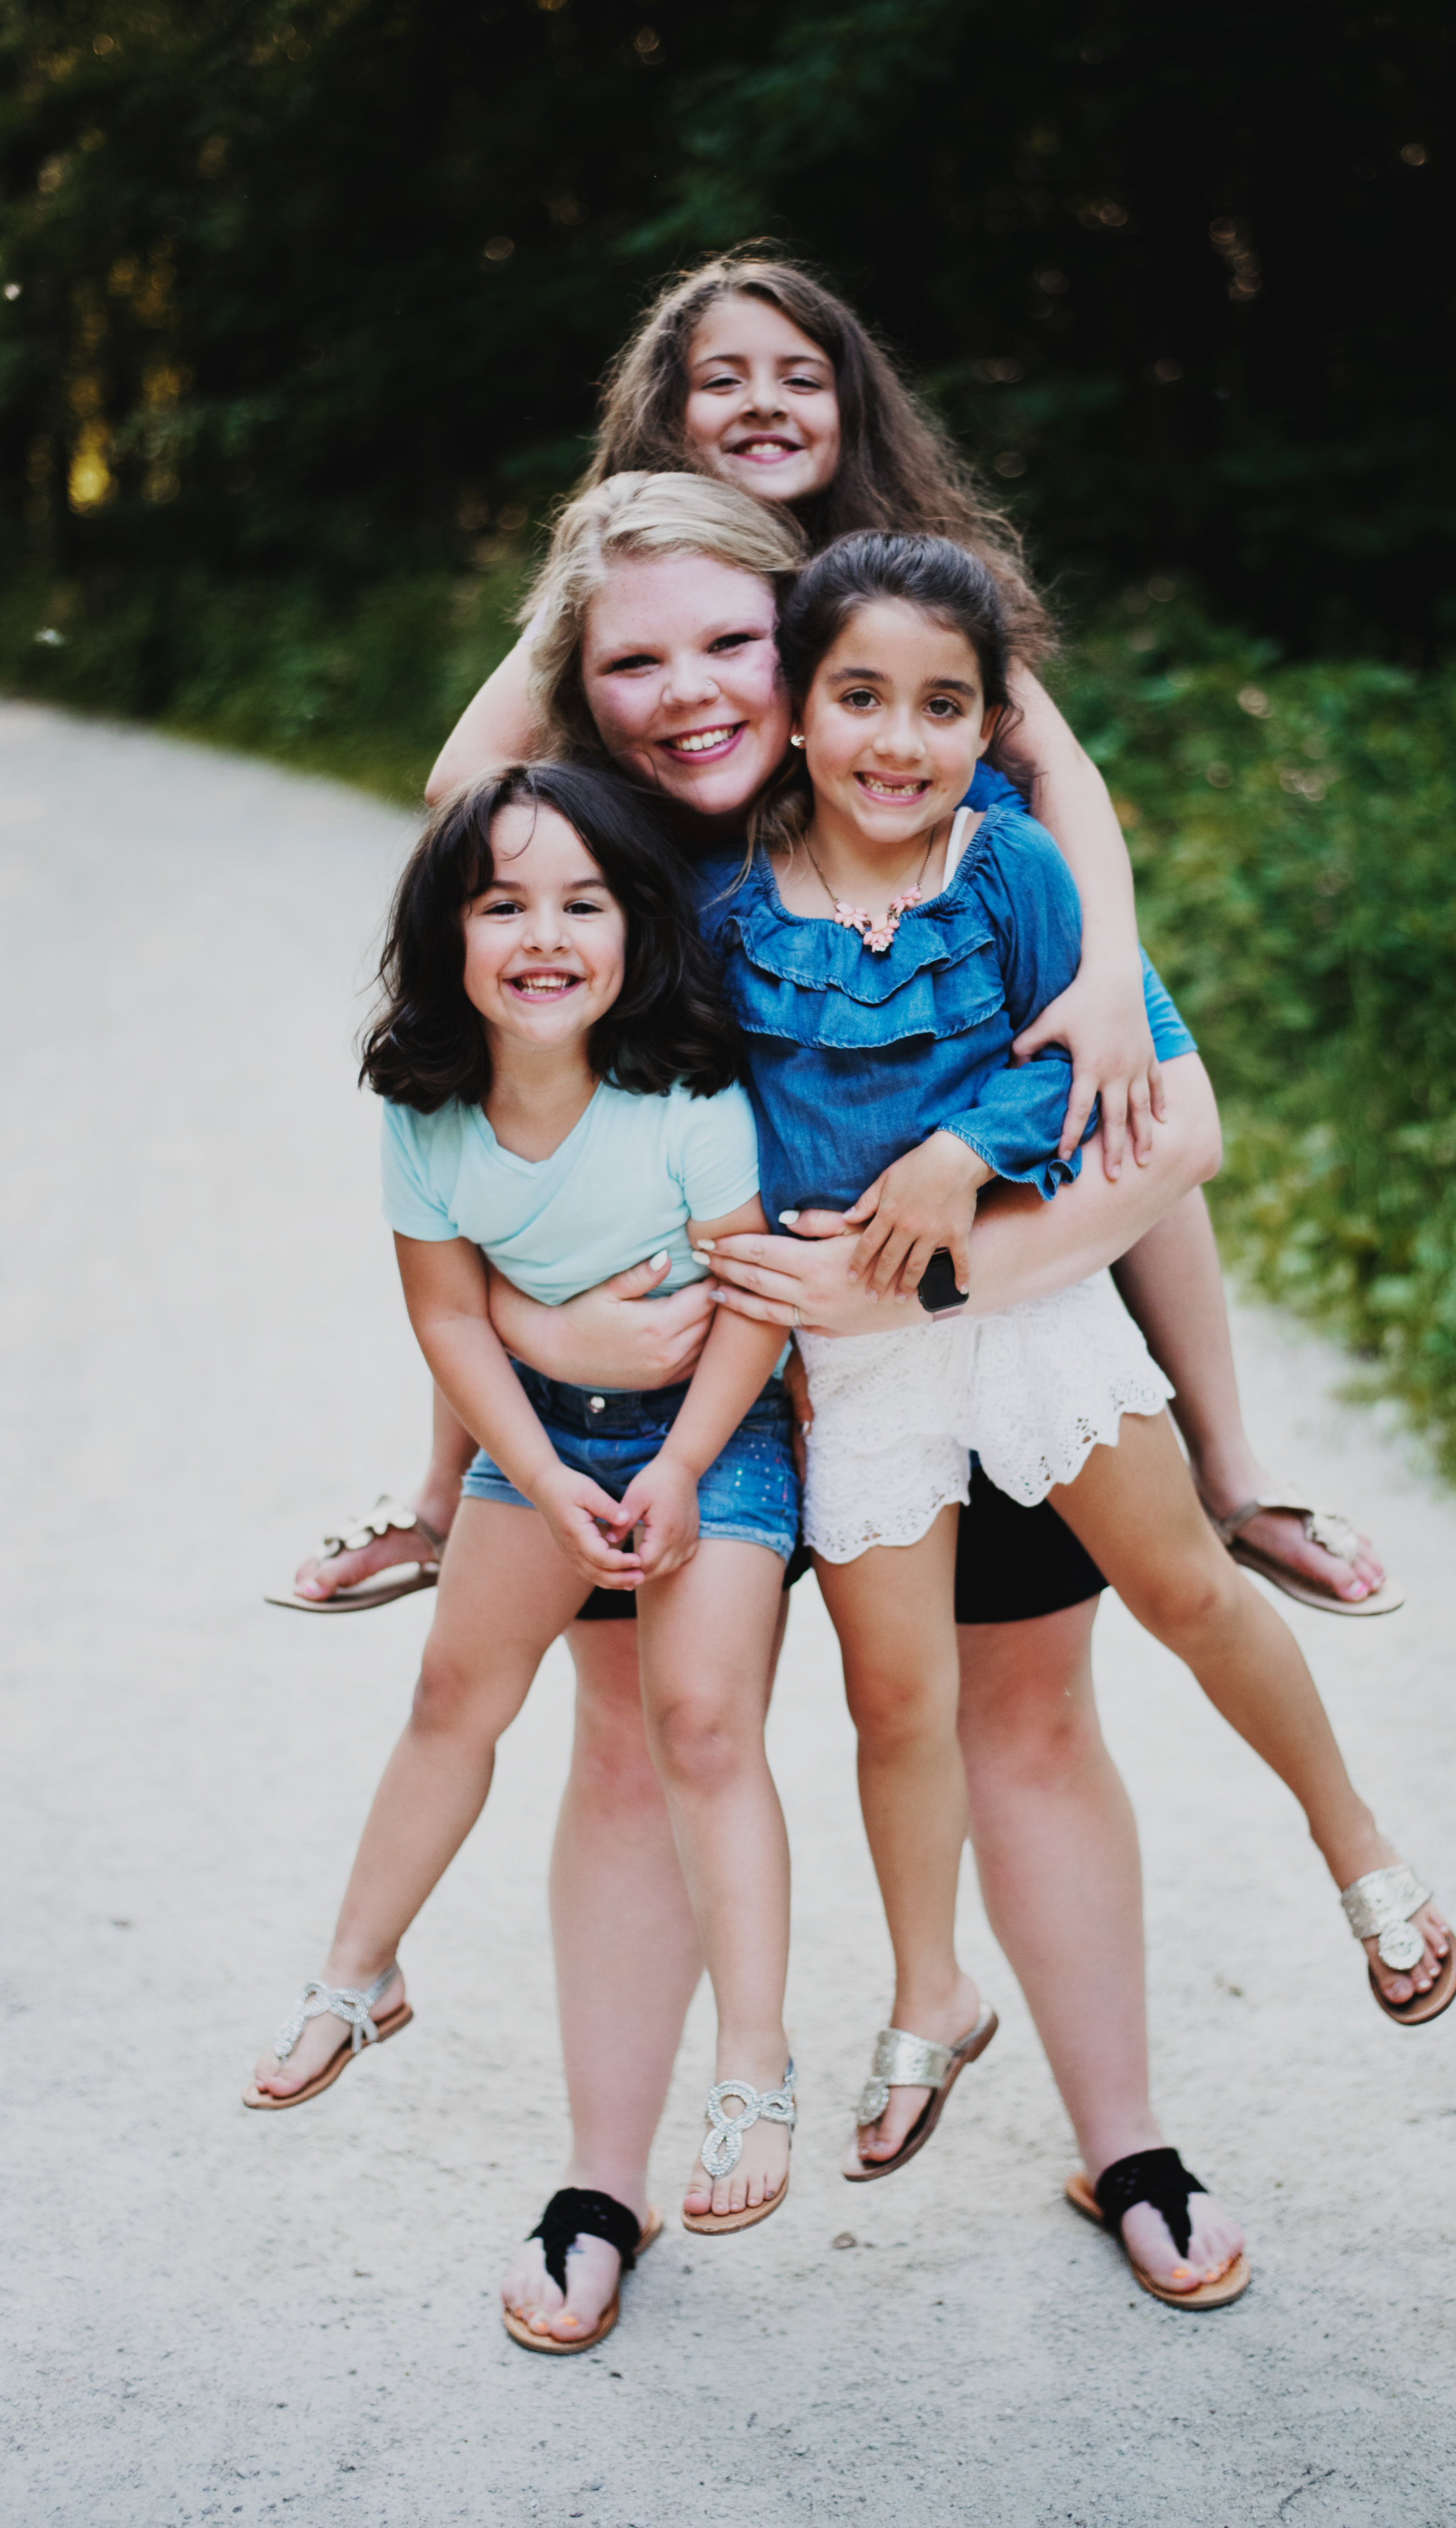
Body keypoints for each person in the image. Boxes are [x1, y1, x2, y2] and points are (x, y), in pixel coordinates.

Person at [451, 475, 1456, 2345]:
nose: (691, 692)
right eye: (632, 657)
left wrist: (930, 1250)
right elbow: (489, 1078)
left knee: (1033, 1709)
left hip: (974, 1332)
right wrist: (514, 1318)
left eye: (732, 646)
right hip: (708, 1404)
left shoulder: (1001, 850)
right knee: (646, 1745)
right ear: (582, 681)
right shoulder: (627, 868)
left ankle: (1127, 2140)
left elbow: (1169, 1117)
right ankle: (608, 2178)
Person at [299, 251, 1393, 1628]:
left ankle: (1229, 1477)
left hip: (908, 914)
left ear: (853, 405)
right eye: (721, 381)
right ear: (661, 414)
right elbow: (464, 785)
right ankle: (445, 1492)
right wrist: (611, 598)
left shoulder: (903, 602)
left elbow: (1058, 768)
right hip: (719, 909)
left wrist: (1109, 962)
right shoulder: (635, 576)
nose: (762, 404)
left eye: (799, 376)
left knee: (1105, 1079)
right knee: (544, 1096)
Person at [246, 761, 811, 2291]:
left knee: (699, 1725)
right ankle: (357, 1973)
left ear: (637, 925)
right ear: (447, 937)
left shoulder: (685, 1098)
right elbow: (445, 1319)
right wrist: (537, 1481)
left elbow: (752, 1310)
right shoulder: (429, 1114)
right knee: (453, 1691)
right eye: (503, 904)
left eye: (584, 901)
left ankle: (751, 2066)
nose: (545, 934)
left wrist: (685, 1465)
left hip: (718, 1437)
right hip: (532, 1445)